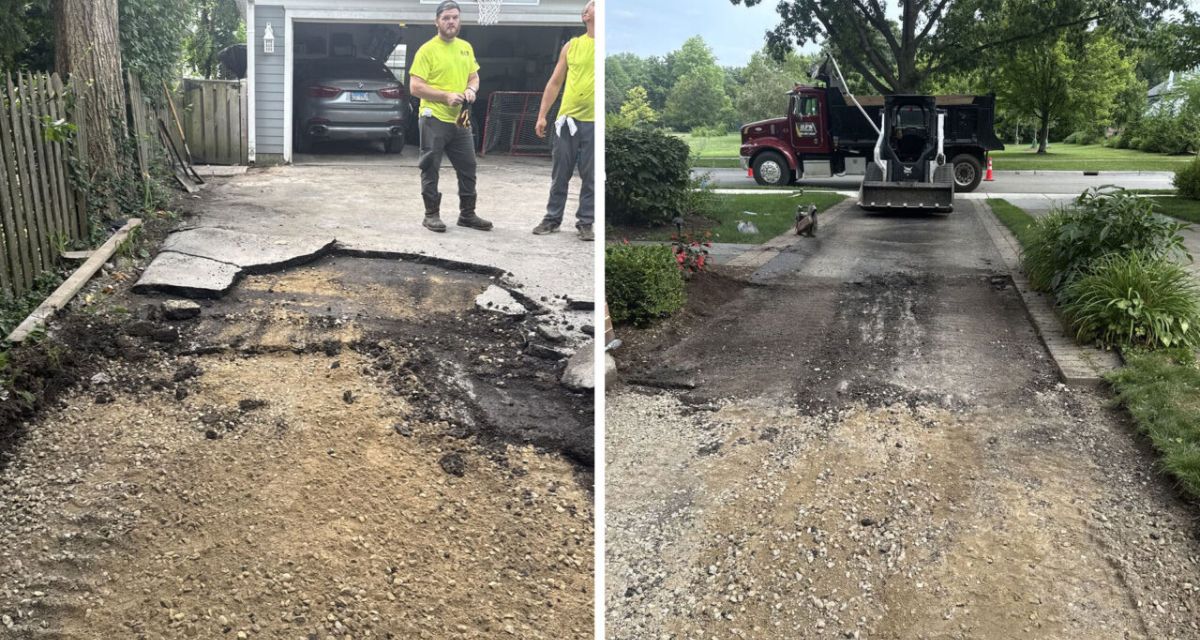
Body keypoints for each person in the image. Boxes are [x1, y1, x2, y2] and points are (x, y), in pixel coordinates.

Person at [408, 0, 491, 233]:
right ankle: (431, 215)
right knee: (430, 167)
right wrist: (444, 96)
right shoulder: (427, 50)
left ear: (459, 20)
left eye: (454, 17)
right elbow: (415, 87)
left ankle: (467, 214)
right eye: (446, 18)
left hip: (460, 120)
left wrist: (471, 90)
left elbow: (473, 77)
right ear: (437, 22)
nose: (451, 21)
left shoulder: (466, 47)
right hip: (433, 117)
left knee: (468, 167)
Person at [532, 1, 595, 241]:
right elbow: (555, 82)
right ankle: (552, 219)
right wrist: (542, 115)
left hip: (594, 123)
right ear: (585, 15)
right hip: (567, 120)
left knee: (591, 175)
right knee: (560, 173)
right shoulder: (572, 46)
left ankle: (586, 222)